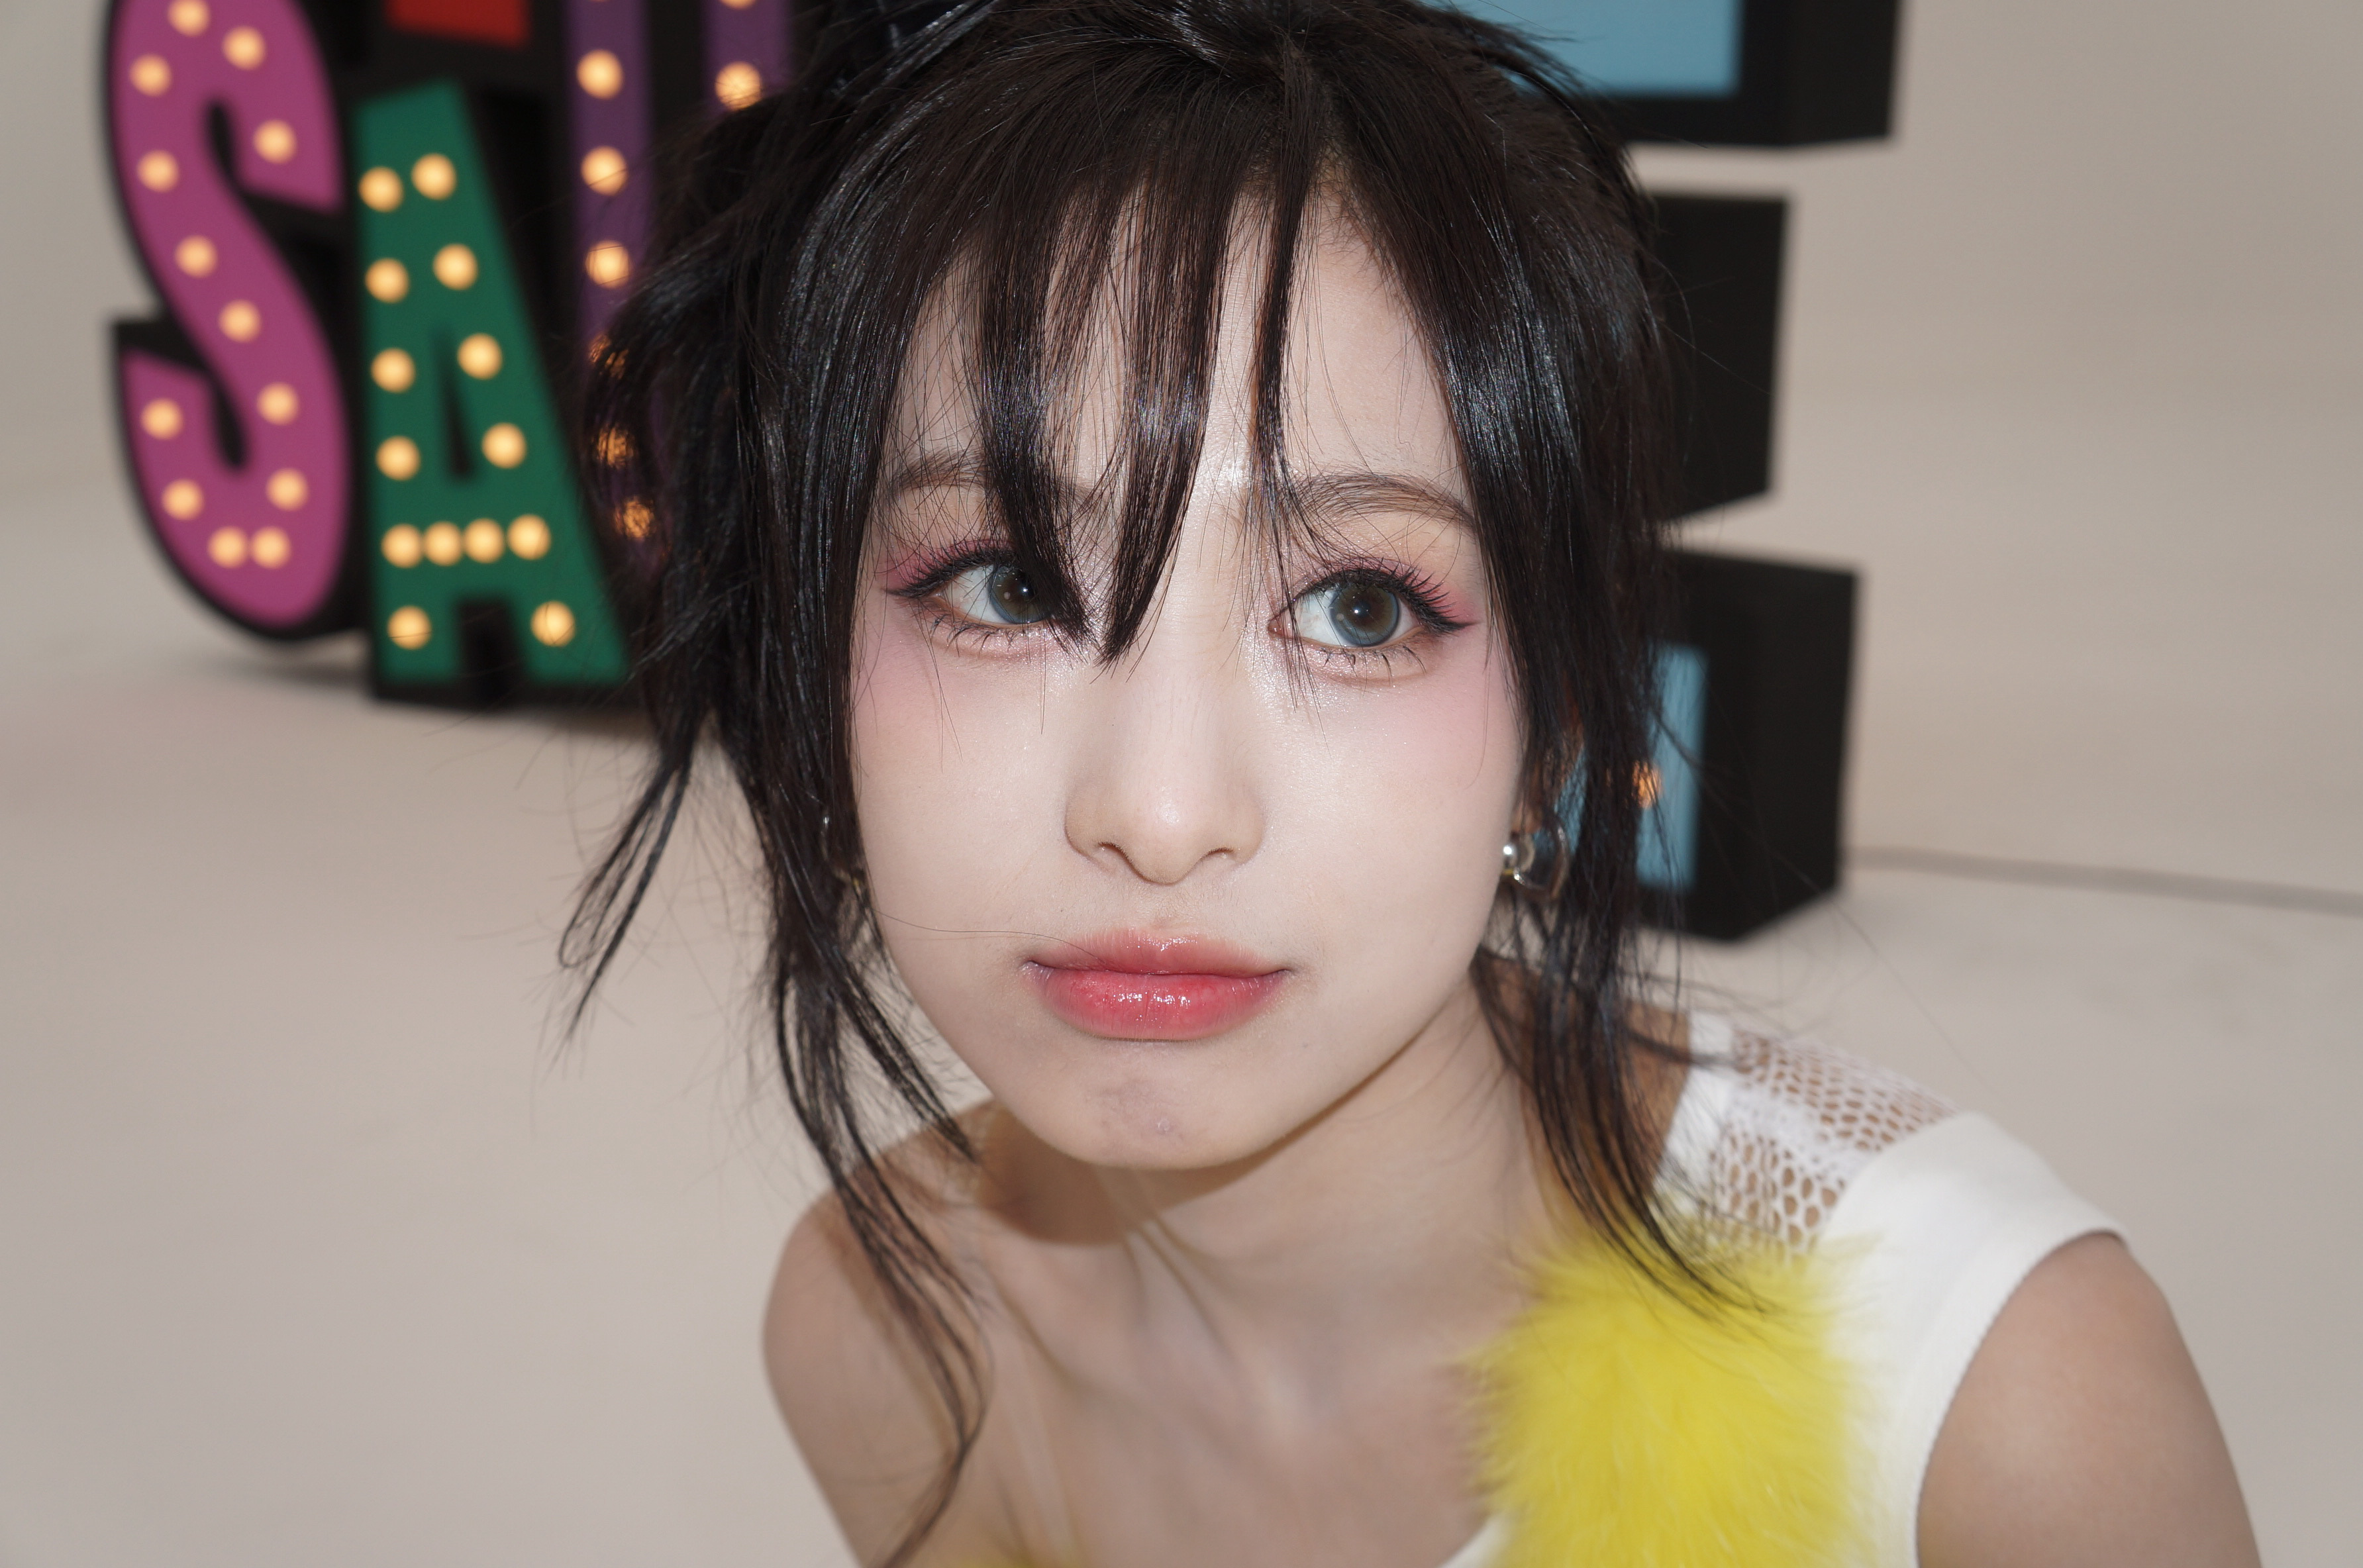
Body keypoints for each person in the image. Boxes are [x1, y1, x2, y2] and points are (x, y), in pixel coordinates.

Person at [569, 1, 2262, 1563]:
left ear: (1559, 725)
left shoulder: (1996, 1398)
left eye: (1357, 609)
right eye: (1007, 586)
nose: (1158, 815)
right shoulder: (880, 1338)